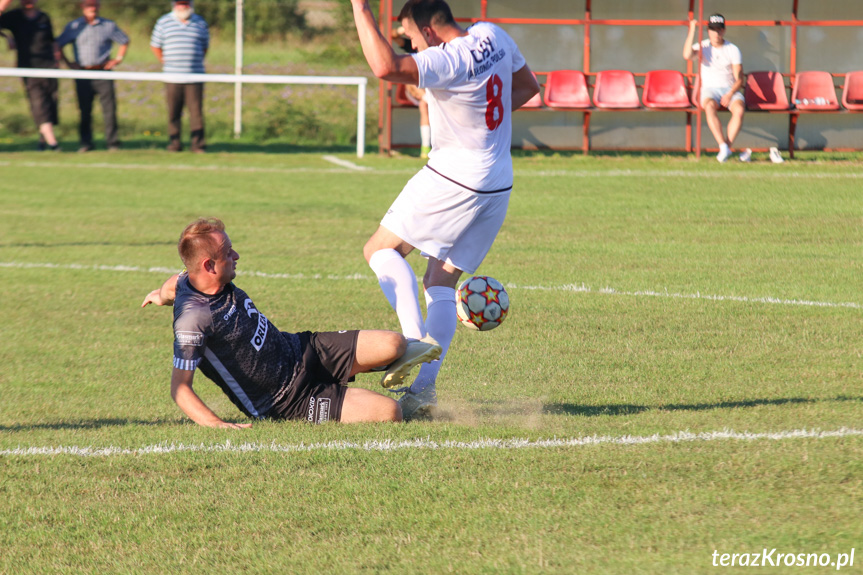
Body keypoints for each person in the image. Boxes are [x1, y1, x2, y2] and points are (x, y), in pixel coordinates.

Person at [349, 0, 540, 418]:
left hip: (454, 176)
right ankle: (422, 394)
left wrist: (360, 8)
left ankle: (413, 340)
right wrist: (481, 122)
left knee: (380, 251)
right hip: (498, 182)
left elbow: (385, 68)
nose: (413, 47)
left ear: (429, 32)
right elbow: (527, 87)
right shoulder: (493, 34)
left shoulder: (444, 58)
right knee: (439, 283)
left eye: (412, 38)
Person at [141, 218, 442, 427]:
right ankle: (379, 384)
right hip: (288, 400)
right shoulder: (192, 320)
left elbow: (172, 286)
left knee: (393, 342)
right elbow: (180, 388)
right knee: (391, 412)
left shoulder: (186, 280)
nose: (236, 255)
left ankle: (393, 359)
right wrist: (216, 424)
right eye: (227, 253)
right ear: (208, 266)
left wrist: (159, 294)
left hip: (300, 348)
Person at [56, 0, 129, 152]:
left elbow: (124, 40)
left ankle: (112, 142)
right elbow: (58, 44)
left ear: (99, 6)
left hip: (102, 72)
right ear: (82, 7)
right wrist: (68, 63)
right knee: (84, 110)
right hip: (82, 72)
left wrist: (118, 59)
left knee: (109, 109)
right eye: (89, 5)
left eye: (95, 5)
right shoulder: (74, 26)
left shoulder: (108, 25)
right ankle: (85, 142)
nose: (92, 8)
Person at [683, 13, 750, 163]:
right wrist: (693, 29)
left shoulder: (732, 49)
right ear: (708, 31)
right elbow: (687, 55)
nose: (716, 33)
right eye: (713, 29)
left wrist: (730, 93)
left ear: (724, 30)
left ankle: (726, 147)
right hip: (710, 89)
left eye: (719, 29)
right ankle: (723, 146)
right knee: (709, 107)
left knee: (739, 109)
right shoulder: (703, 46)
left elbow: (739, 79)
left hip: (729, 89)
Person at [0, 0, 61, 151]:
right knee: (38, 102)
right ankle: (53, 143)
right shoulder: (14, 17)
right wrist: (7, 37)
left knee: (51, 102)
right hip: (28, 67)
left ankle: (43, 139)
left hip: (48, 66)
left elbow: (52, 40)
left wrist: (57, 57)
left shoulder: (43, 17)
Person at [150, 0, 209, 153]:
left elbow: (204, 46)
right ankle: (174, 143)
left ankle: (198, 144)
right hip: (172, 76)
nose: (183, 8)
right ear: (174, 6)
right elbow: (155, 45)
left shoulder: (200, 22)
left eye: (186, 4)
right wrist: (164, 61)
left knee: (196, 112)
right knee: (173, 112)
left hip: (194, 76)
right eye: (180, 4)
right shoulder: (163, 22)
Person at [392, 26, 431, 158]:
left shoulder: (438, 48)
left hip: (434, 90)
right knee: (424, 104)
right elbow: (392, 35)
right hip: (417, 91)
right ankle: (425, 147)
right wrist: (403, 29)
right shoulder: (413, 45)